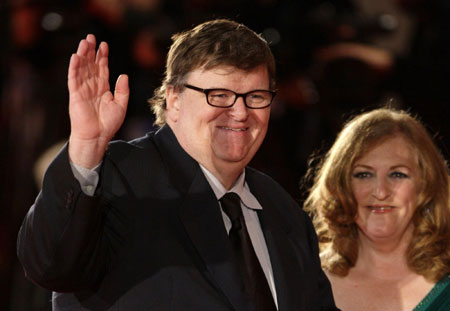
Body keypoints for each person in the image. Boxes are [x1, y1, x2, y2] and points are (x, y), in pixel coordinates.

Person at [17, 19, 338, 311]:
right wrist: (86, 147)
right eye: (220, 95)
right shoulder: (116, 177)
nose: (240, 113)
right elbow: (49, 265)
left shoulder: (282, 209)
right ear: (174, 99)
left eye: (255, 96)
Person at [304, 107, 450, 311]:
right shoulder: (304, 282)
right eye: (364, 175)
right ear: (341, 186)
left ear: (426, 185)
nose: (381, 192)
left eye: (398, 174)